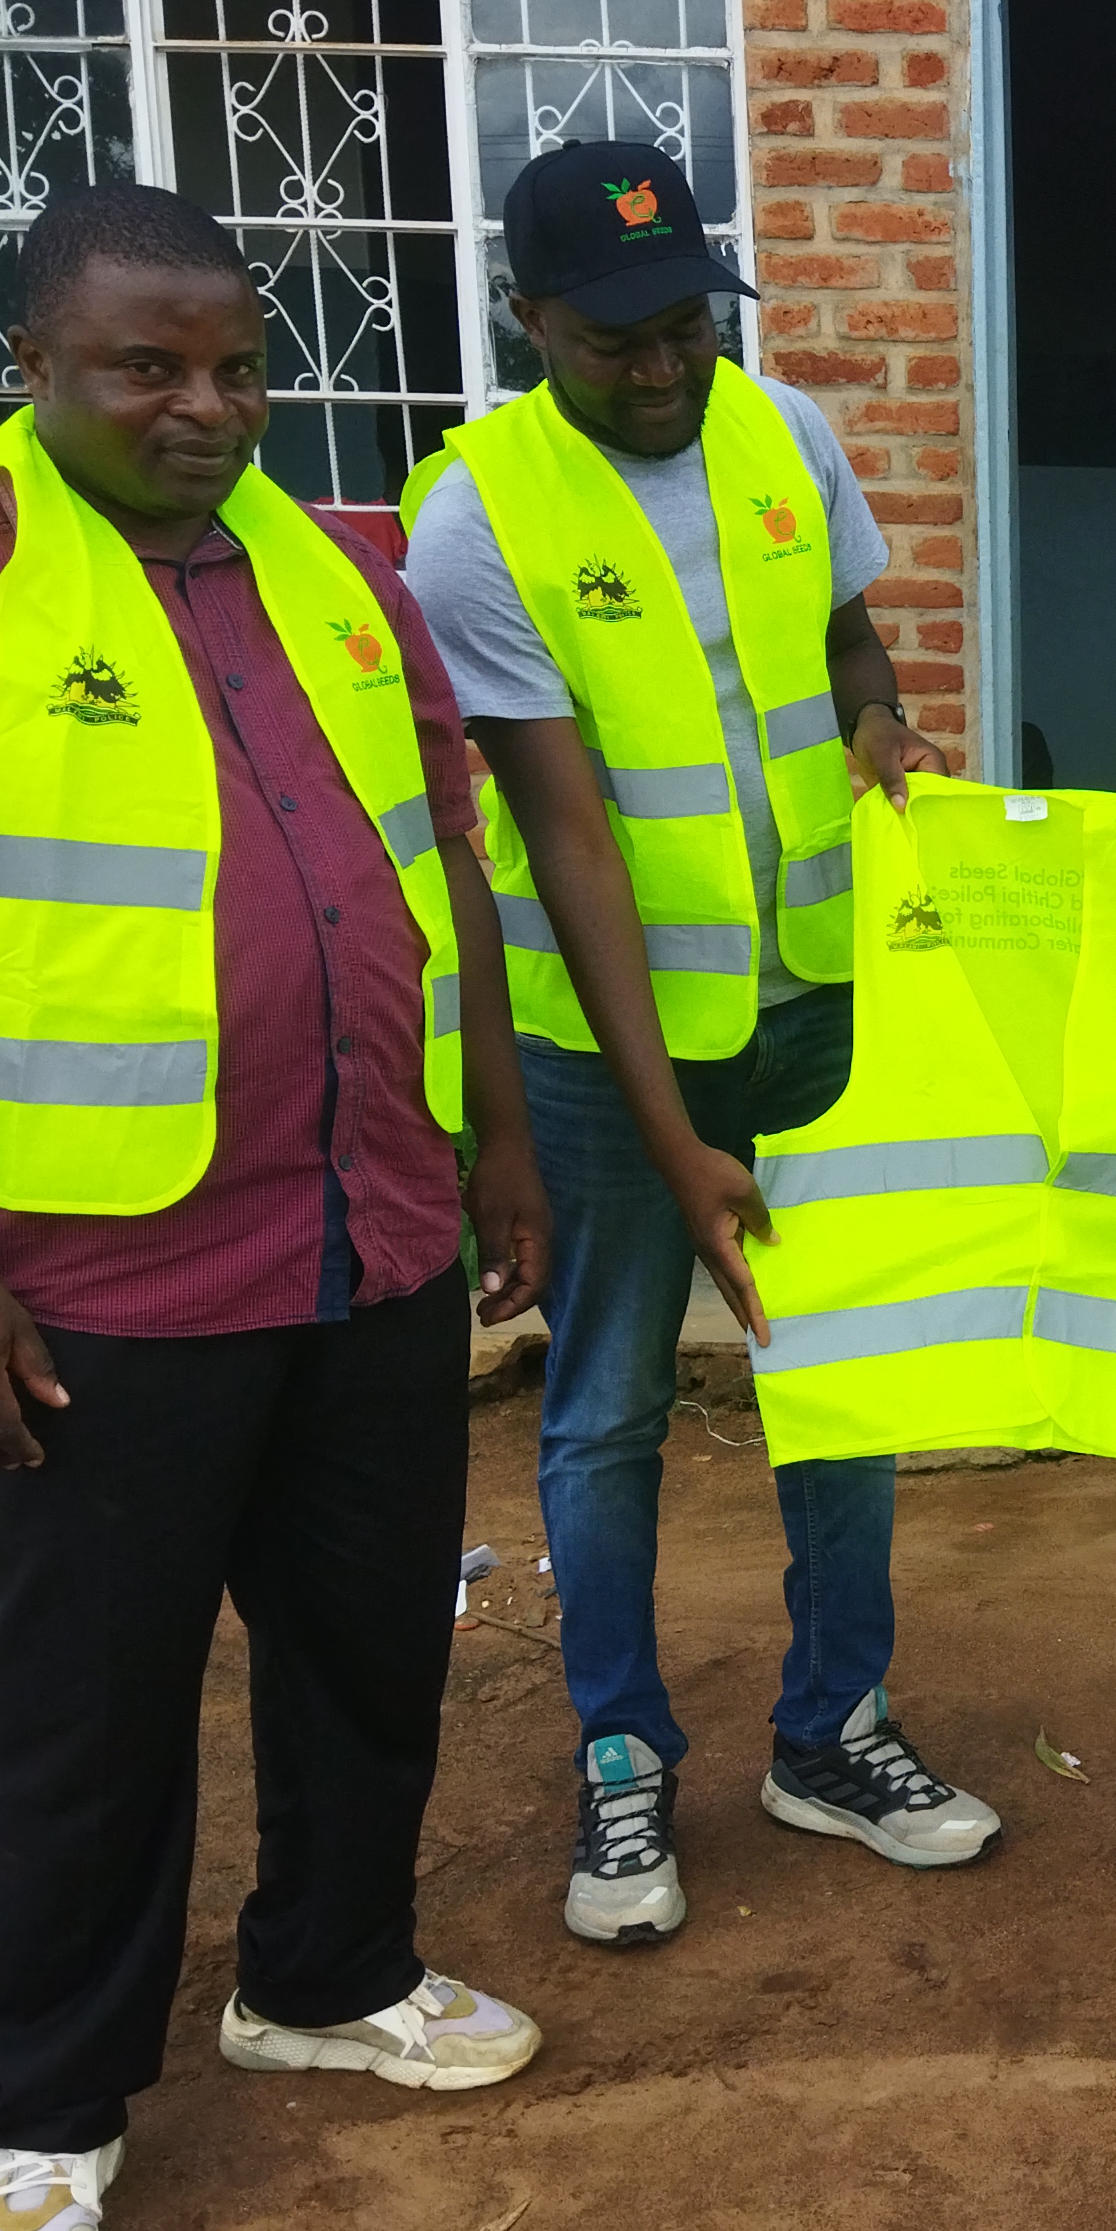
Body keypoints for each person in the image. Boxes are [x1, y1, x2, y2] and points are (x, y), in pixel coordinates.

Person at [0, 182, 552, 2231]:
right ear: (32, 363)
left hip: (363, 1236)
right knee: (88, 1703)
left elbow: (437, 870)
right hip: (100, 1278)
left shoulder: (334, 568)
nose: (203, 407)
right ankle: (43, 2109)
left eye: (232, 364)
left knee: (367, 1643)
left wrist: (489, 1145)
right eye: (145, 366)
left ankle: (326, 1972)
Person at [403, 141, 988, 1948]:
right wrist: (670, 1140)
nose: (665, 370)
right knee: (604, 1409)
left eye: (689, 330)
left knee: (844, 1367)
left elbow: (842, 639)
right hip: (609, 1049)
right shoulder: (478, 516)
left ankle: (833, 1730)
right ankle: (623, 1756)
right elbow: (567, 837)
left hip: (814, 997)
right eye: (618, 342)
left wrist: (884, 723)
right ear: (530, 324)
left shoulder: (782, 430)